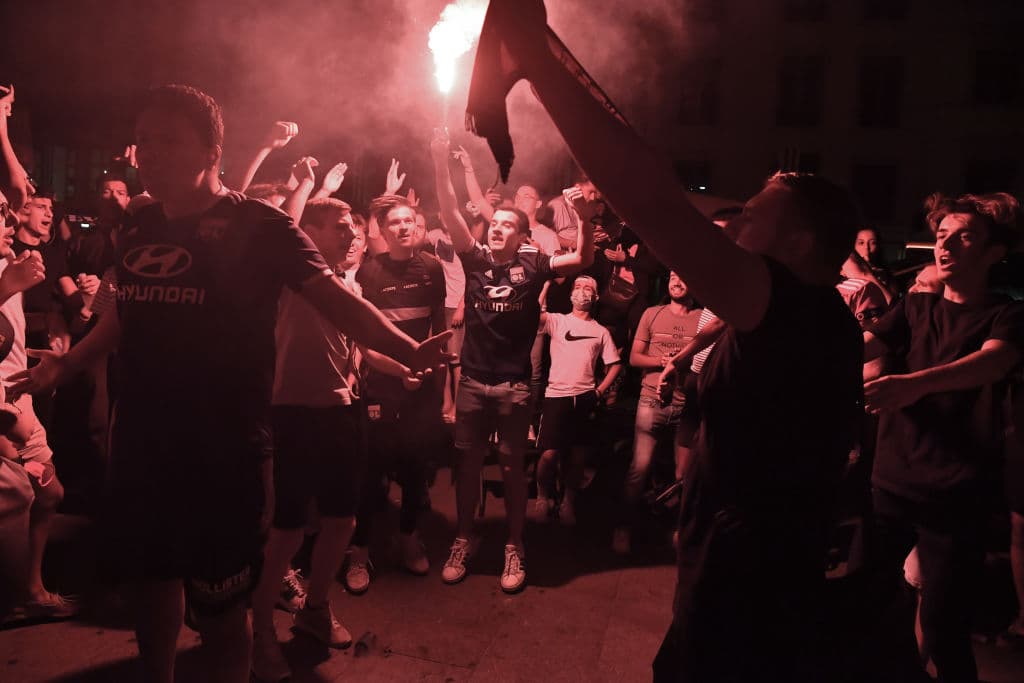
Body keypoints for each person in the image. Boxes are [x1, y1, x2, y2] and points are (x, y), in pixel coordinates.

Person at [8, 85, 451, 683]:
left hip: (226, 450)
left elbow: (334, 301)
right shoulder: (138, 224)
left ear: (211, 149)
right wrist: (70, 361)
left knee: (222, 612)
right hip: (142, 443)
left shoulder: (260, 225)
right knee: (155, 582)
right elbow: (127, 309)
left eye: (169, 138)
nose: (151, 151)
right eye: (146, 138)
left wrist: (406, 348)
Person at [477, 5, 863, 677]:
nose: (733, 222)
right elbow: (654, 178)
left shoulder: (798, 308)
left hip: (753, 594)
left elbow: (653, 201)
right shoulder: (799, 310)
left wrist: (535, 59)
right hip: (736, 574)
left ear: (798, 244)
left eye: (751, 214)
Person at [863, 192, 1024, 683]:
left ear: (995, 252)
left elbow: (992, 362)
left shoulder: (1008, 314)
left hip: (956, 495)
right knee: (863, 602)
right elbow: (865, 344)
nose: (946, 246)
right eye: (940, 236)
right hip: (890, 481)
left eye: (964, 236)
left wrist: (908, 385)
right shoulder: (914, 307)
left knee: (944, 626)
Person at [431, 128, 595, 593]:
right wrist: (439, 162)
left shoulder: (536, 264)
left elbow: (581, 258)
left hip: (514, 387)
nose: (498, 228)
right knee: (466, 467)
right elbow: (448, 210)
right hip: (473, 384)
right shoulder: (476, 260)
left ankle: (515, 545)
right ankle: (463, 538)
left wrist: (583, 217)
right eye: (495, 223)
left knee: (509, 467)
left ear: (523, 235)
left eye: (508, 224)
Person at [249, 197, 372, 682]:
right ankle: (258, 629)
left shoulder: (347, 284)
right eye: (340, 226)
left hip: (342, 411)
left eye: (352, 227)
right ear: (310, 233)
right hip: (290, 415)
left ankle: (315, 610)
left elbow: (361, 344)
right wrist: (299, 189)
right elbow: (277, 222)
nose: (352, 235)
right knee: (287, 531)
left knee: (342, 520)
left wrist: (405, 366)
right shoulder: (282, 279)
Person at [345, 194, 447, 593]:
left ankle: (408, 538)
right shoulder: (368, 273)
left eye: (410, 221)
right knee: (371, 469)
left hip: (421, 384)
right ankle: (359, 550)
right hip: (384, 383)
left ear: (418, 227)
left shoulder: (432, 268)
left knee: (415, 467)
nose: (404, 227)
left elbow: (437, 325)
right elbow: (366, 342)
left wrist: (431, 372)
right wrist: (400, 371)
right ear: (382, 232)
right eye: (395, 223)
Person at [613, 271, 701, 554]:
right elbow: (634, 357)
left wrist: (681, 363)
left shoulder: (703, 319)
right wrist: (661, 360)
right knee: (639, 469)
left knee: (684, 476)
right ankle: (622, 529)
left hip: (687, 405)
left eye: (684, 276)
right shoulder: (652, 313)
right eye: (674, 275)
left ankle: (680, 534)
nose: (677, 280)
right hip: (652, 401)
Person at [534, 274, 620, 525]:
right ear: (571, 293)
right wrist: (547, 284)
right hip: (556, 396)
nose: (582, 291)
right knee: (549, 455)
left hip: (584, 398)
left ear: (595, 297)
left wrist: (599, 391)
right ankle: (542, 497)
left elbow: (615, 364)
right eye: (578, 287)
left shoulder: (600, 331)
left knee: (577, 456)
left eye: (588, 288)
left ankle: (568, 501)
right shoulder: (558, 321)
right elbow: (534, 313)